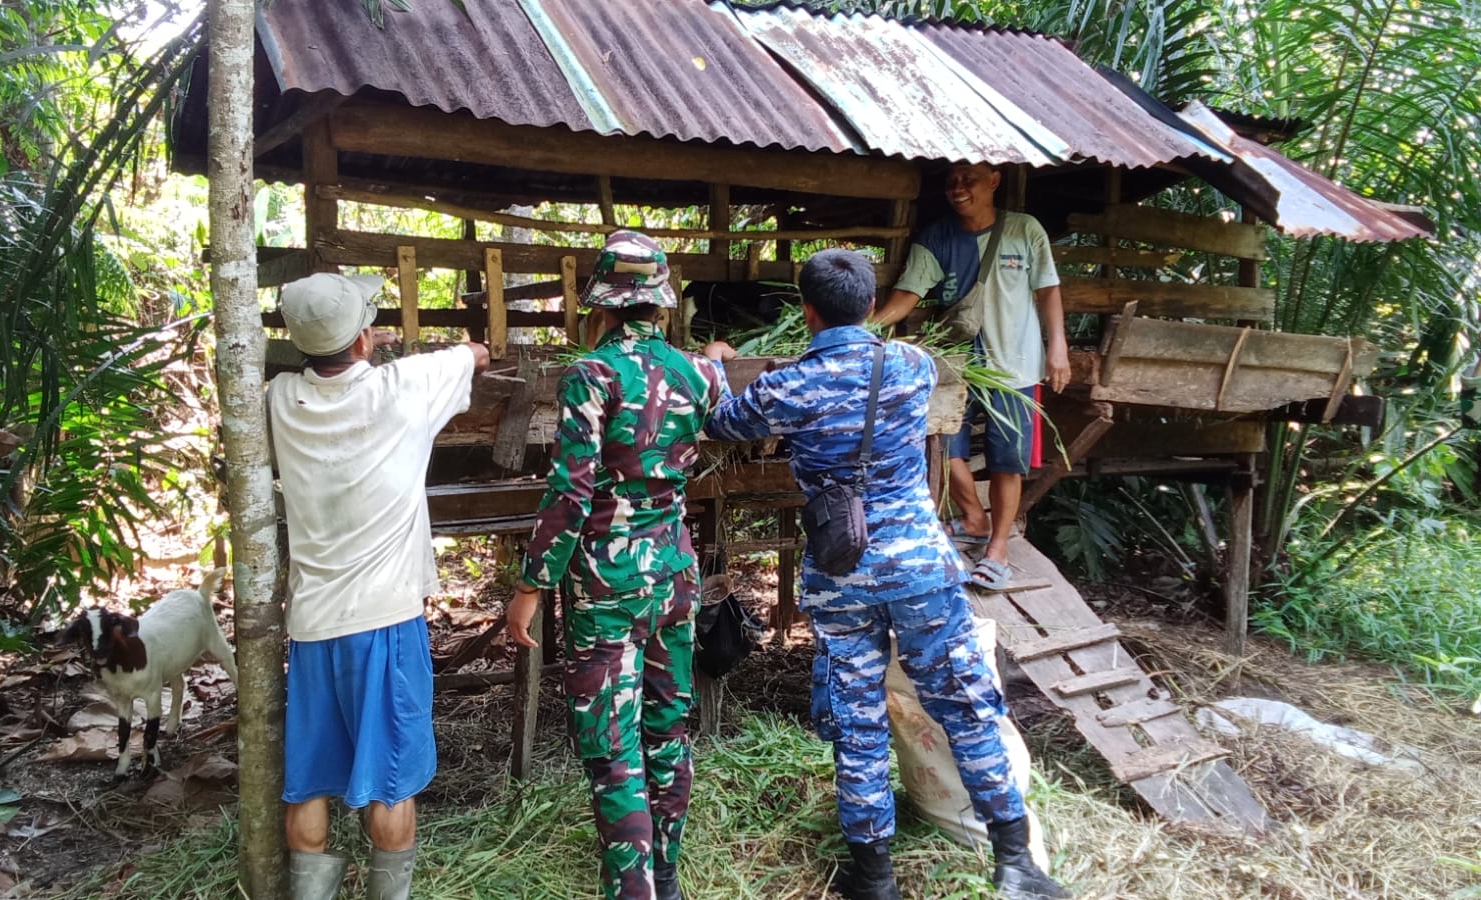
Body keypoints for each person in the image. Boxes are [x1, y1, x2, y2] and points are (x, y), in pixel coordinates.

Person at [704, 250, 1068, 900]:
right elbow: (934, 377)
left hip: (843, 568)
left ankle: (874, 879)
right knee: (964, 703)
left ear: (808, 311)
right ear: (872, 307)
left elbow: (723, 422)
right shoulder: (911, 364)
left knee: (859, 715)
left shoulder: (789, 384)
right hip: (921, 567)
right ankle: (1016, 865)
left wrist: (713, 365)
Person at [506, 230, 724, 900]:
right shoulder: (694, 374)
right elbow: (715, 371)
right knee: (667, 732)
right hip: (677, 577)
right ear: (661, 303)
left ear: (600, 305)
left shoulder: (590, 376)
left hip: (608, 588)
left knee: (612, 749)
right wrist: (713, 355)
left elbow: (571, 492)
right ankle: (667, 878)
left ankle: (634, 893)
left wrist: (531, 586)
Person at [268, 272, 489, 900]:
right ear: (366, 340)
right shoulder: (406, 386)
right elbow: (477, 355)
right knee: (392, 786)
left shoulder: (280, 398)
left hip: (311, 629)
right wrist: (450, 351)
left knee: (308, 785)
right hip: (385, 626)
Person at [872, 161, 1071, 591]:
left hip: (1014, 364)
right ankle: (975, 519)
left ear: (994, 182)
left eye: (970, 180)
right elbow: (908, 294)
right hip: (956, 364)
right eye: (952, 182)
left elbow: (1048, 290)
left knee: (1007, 460)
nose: (959, 188)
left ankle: (998, 549)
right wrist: (864, 331)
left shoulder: (1024, 230)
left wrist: (1058, 347)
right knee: (943, 446)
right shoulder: (937, 236)